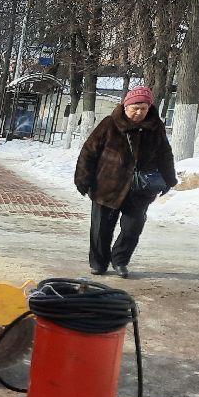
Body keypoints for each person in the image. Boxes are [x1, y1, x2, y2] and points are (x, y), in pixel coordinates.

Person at [74, 86, 177, 278]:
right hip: (107, 185)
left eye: (143, 109)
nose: (139, 112)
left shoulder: (155, 127)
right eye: (135, 108)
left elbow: (165, 154)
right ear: (126, 106)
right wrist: (83, 179)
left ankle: (120, 260)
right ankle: (98, 263)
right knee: (100, 229)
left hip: (139, 189)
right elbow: (88, 152)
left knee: (133, 228)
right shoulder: (109, 124)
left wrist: (169, 178)